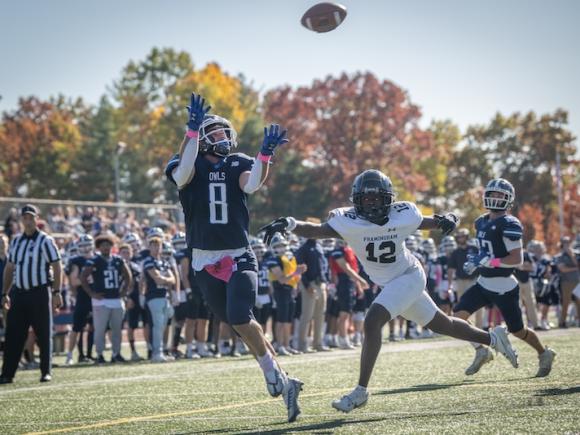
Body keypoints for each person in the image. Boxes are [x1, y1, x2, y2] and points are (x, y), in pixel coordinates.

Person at [259, 169, 519, 413]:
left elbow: (431, 222)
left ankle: (360, 391)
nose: (371, 204)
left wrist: (448, 218)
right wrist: (289, 223)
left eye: (376, 198)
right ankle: (494, 339)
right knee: (443, 324)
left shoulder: (402, 214)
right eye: (366, 198)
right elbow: (317, 230)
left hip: (409, 275)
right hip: (393, 282)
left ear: (388, 200)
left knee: (373, 321)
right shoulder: (348, 221)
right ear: (357, 200)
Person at [165, 92, 302, 422]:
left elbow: (252, 184)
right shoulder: (185, 161)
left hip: (239, 254)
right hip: (202, 260)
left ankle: (272, 374)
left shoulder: (238, 161)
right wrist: (192, 134)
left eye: (225, 132)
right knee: (239, 323)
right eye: (216, 133)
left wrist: (264, 155)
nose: (223, 138)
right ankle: (284, 381)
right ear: (202, 137)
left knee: (241, 316)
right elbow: (183, 175)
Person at [454, 178, 555, 377]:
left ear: (508, 199)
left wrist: (489, 262)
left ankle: (544, 353)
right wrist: (475, 260)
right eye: (492, 194)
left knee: (518, 331)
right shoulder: (481, 221)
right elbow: (486, 250)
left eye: (499, 195)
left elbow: (517, 258)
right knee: (457, 318)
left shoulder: (509, 223)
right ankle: (481, 351)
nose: (494, 198)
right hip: (483, 283)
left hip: (504, 286)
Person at [1, 205, 63, 384]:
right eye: (25, 218)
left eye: (30, 217)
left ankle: (46, 371)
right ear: (21, 220)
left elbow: (57, 266)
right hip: (19, 293)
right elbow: (10, 268)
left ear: (36, 219)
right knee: (13, 334)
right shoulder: (17, 241)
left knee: (43, 333)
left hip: (39, 292)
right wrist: (5, 293)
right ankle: (7, 373)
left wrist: (56, 291)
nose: (27, 221)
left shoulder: (45, 240)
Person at [80, 234, 132, 364]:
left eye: (108, 245)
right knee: (100, 330)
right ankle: (100, 354)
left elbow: (128, 276)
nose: (105, 247)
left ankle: (116, 353)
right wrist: (91, 293)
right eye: (103, 245)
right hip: (101, 300)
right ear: (98, 247)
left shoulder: (118, 260)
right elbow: (83, 277)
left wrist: (124, 291)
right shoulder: (94, 260)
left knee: (116, 330)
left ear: (111, 246)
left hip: (116, 299)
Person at [267, 233, 306, 355]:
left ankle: (286, 344)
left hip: (289, 291)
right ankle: (279, 345)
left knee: (289, 319)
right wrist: (296, 272)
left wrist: (295, 285)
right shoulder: (273, 260)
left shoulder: (289, 258)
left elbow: (292, 278)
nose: (281, 248)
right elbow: (282, 279)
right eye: (277, 246)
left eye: (282, 245)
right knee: (281, 319)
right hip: (280, 291)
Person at [142, 234, 177, 362]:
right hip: (153, 296)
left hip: (165, 297)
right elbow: (156, 278)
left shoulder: (163, 261)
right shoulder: (148, 261)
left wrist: (164, 280)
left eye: (159, 245)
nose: (157, 248)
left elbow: (173, 279)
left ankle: (160, 351)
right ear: (149, 247)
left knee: (162, 326)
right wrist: (165, 279)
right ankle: (156, 353)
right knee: (157, 326)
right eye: (154, 245)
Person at [295, 235, 330, 352]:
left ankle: (317, 343)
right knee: (307, 316)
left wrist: (325, 282)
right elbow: (300, 269)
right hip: (310, 284)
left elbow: (323, 267)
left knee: (320, 316)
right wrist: (306, 284)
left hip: (321, 284)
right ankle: (302, 345)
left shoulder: (319, 247)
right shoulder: (303, 249)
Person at [65, 235, 95, 365]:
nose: (86, 248)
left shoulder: (97, 259)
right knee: (78, 328)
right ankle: (72, 355)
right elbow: (74, 280)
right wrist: (87, 280)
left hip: (95, 297)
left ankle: (88, 354)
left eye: (88, 244)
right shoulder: (76, 260)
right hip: (82, 297)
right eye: (83, 245)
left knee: (93, 327)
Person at [447, 228, 481, 326]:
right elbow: (450, 269)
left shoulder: (474, 249)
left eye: (463, 236)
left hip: (474, 281)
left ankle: (480, 327)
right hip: (460, 281)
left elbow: (482, 263)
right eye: (459, 237)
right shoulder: (455, 252)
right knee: (462, 306)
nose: (461, 238)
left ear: (466, 237)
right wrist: (450, 285)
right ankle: (466, 327)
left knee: (478, 305)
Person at [554, 236, 580, 327]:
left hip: (577, 281)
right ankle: (562, 322)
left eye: (568, 242)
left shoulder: (576, 254)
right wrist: (575, 268)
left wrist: (571, 255)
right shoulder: (559, 256)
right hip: (566, 282)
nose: (567, 244)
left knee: (578, 302)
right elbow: (563, 269)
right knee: (566, 302)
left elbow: (577, 264)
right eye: (565, 243)